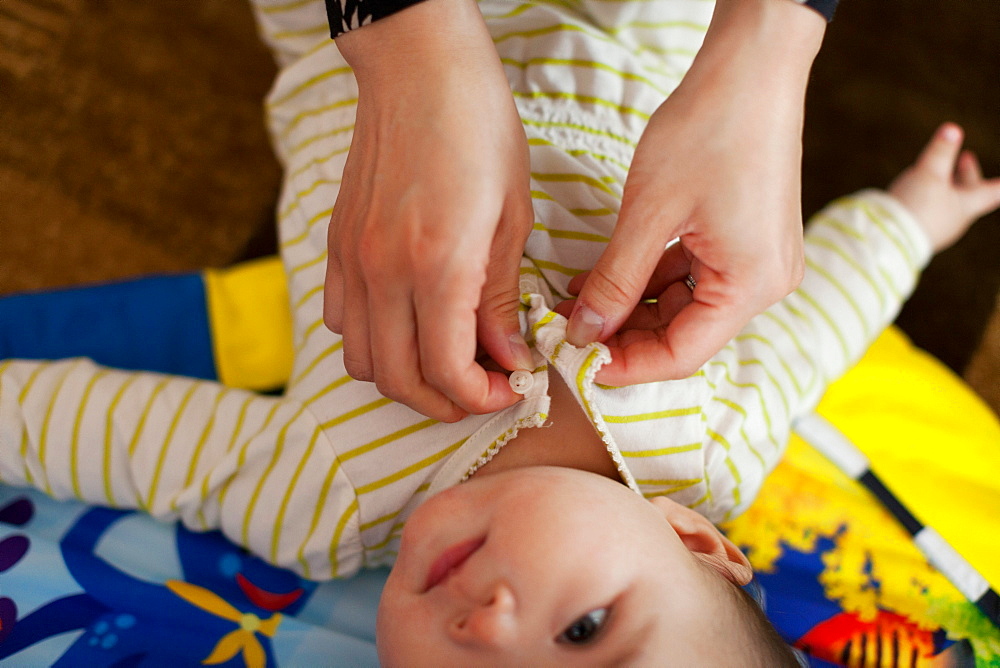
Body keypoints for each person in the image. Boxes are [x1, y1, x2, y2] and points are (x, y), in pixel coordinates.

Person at [3, 0, 1000, 661]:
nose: (486, 627)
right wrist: (910, 219)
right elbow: (817, 320)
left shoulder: (321, 499)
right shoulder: (710, 451)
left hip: (341, 39)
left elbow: (98, 428)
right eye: (584, 628)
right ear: (693, 538)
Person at [323, 0, 835, 422]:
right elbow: (834, 316)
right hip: (657, 35)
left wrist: (768, 43)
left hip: (331, 66)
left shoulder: (353, 509)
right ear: (701, 542)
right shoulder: (717, 453)